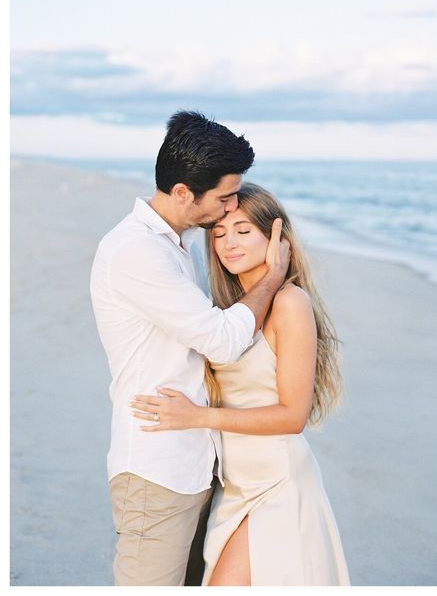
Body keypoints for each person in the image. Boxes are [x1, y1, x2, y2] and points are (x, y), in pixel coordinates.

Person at [90, 112, 290, 586]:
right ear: (183, 192)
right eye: (223, 199)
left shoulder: (174, 246)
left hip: (194, 464)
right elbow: (220, 341)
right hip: (156, 471)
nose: (228, 210)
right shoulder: (138, 251)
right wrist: (272, 280)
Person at [130, 182, 351, 586]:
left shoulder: (289, 302)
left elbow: (293, 416)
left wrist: (197, 417)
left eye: (244, 231)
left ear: (276, 238)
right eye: (219, 234)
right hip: (234, 486)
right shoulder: (229, 315)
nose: (229, 243)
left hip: (277, 482)